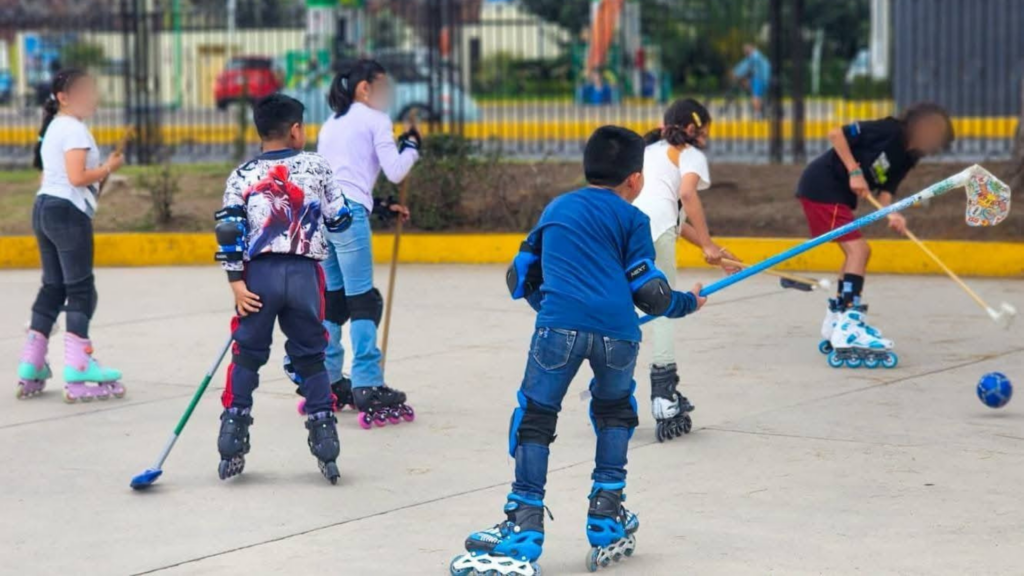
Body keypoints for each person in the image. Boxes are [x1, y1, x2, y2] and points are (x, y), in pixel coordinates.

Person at [450, 126, 707, 576]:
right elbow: (649, 293)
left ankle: (523, 520)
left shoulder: (557, 208)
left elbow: (519, 274)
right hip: (618, 335)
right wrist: (687, 302)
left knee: (535, 416)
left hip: (558, 329)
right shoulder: (633, 220)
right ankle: (607, 513)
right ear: (634, 179)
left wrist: (548, 304)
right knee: (614, 413)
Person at [214, 94, 352, 484]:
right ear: (295, 131)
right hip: (306, 277)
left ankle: (232, 437)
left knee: (248, 355)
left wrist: (236, 282)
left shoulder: (242, 175)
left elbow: (228, 230)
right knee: (311, 355)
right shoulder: (317, 165)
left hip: (258, 278)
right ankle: (325, 438)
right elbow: (339, 221)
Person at [797, 102, 954, 368]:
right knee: (859, 251)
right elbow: (836, 134)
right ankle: (849, 323)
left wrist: (894, 213)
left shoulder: (908, 157)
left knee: (852, 255)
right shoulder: (889, 130)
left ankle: (837, 318)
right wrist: (854, 171)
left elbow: (885, 193)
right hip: (822, 186)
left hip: (837, 196)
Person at [313, 59, 418, 429]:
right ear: (365, 88)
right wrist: (413, 147)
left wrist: (384, 206)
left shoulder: (332, 123)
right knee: (363, 300)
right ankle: (367, 383)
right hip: (349, 212)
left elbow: (343, 174)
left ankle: (327, 379)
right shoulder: (375, 120)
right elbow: (396, 170)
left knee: (334, 301)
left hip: (322, 214)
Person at [17, 69, 126, 403]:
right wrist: (108, 167)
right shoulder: (75, 129)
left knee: (54, 286)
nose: (91, 97)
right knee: (80, 290)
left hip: (46, 208)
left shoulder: (54, 128)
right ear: (63, 98)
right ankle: (79, 365)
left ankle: (31, 364)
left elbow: (69, 181)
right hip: (65, 212)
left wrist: (104, 172)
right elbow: (78, 177)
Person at [633, 98, 738, 442]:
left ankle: (609, 392)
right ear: (692, 129)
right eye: (705, 130)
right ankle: (664, 396)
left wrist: (715, 252)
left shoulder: (648, 152)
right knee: (662, 309)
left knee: (620, 309)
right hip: (656, 230)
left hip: (625, 230)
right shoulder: (688, 153)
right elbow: (687, 196)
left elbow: (674, 221)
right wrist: (708, 245)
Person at [731, 43, 771, 116]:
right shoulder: (757, 56)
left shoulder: (754, 56)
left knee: (755, 96)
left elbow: (745, 66)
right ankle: (759, 110)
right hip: (761, 78)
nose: (745, 51)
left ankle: (757, 113)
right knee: (757, 95)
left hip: (759, 78)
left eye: (746, 49)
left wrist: (736, 73)